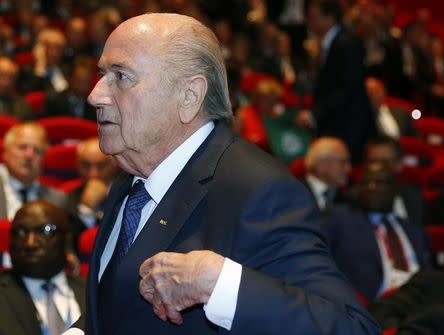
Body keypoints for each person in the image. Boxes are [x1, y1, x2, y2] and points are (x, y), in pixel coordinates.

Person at [65, 13, 379, 335]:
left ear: (189, 96)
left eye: (121, 76)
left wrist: (218, 283)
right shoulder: (129, 180)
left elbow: (352, 327)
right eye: (102, 73)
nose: (95, 95)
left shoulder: (259, 190)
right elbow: (116, 309)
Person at [320, 163, 431, 303]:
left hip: (418, 300)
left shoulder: (414, 230)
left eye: (380, 183)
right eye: (366, 183)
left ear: (395, 189)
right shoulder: (340, 218)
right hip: (375, 305)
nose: (372, 188)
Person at [297, 0, 376, 162]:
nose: (309, 22)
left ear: (330, 18)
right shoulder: (332, 43)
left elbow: (348, 88)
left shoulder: (347, 43)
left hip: (348, 127)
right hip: (337, 124)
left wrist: (315, 114)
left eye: (313, 17)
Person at [0, 200, 86, 335]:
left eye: (45, 230)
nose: (30, 243)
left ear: (67, 239)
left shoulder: (93, 292)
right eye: (21, 232)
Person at [0, 122, 67, 220]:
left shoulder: (57, 200)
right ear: (5, 152)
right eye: (22, 147)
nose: (29, 155)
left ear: (44, 158)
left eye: (37, 150)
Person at [365, 137, 428, 227]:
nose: (378, 168)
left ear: (399, 164)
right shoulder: (354, 202)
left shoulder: (416, 197)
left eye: (385, 162)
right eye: (373, 162)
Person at [65, 137, 119, 242]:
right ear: (78, 165)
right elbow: (72, 243)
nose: (93, 174)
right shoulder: (69, 198)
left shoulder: (127, 193)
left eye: (101, 165)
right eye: (86, 165)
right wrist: (86, 208)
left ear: (114, 165)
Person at [303, 137, 351, 211]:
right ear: (321, 165)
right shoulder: (296, 193)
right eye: (342, 162)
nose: (348, 168)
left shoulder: (349, 198)